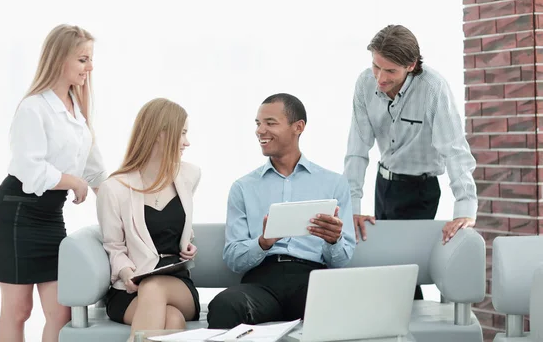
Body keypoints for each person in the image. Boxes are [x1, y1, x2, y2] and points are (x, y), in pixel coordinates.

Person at [0, 24, 107, 342]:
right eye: (83, 59)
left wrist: (124, 206)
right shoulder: (34, 107)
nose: (90, 67)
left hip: (50, 217)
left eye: (90, 59)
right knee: (18, 310)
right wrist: (73, 182)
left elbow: (96, 172)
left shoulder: (78, 112)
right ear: (59, 59)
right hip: (16, 214)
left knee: (61, 312)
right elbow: (30, 170)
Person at [344, 25, 478, 298]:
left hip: (420, 190)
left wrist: (465, 209)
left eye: (390, 71)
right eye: (376, 66)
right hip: (384, 186)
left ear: (411, 65)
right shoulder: (364, 84)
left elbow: (455, 150)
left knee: (405, 274)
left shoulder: (432, 89)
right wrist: (352, 207)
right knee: (383, 267)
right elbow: (357, 149)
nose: (380, 78)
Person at [207, 93, 355, 329]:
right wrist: (263, 242)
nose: (260, 130)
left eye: (270, 123)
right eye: (258, 123)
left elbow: (342, 259)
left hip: (311, 279)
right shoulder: (243, 187)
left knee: (337, 304)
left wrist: (333, 240)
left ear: (298, 127)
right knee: (225, 305)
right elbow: (233, 259)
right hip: (262, 281)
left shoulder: (334, 184)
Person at [96, 98, 201, 342]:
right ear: (160, 133)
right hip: (129, 287)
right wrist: (125, 273)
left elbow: (176, 226)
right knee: (172, 319)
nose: (187, 142)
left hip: (176, 283)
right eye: (182, 133)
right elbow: (114, 246)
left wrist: (187, 243)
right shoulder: (114, 188)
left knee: (154, 287)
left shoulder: (189, 175)